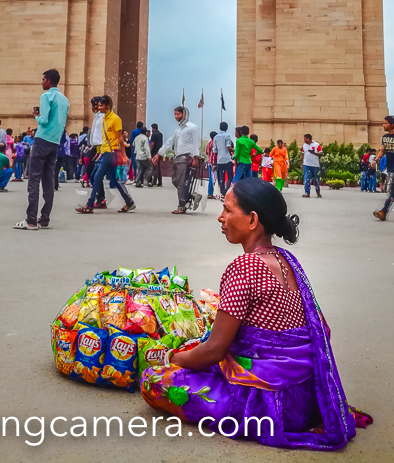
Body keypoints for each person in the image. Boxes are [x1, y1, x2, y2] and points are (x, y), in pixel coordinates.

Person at [140, 178, 372, 449]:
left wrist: (174, 358)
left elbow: (215, 350)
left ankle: (233, 411)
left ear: (252, 220)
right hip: (308, 397)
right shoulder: (288, 261)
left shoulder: (244, 267)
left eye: (228, 210)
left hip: (268, 405)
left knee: (154, 380)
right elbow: (322, 330)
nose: (220, 217)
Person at [14, 69, 69, 230]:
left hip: (42, 139)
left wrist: (35, 116)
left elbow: (44, 121)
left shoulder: (46, 96)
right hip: (55, 142)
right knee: (49, 179)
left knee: (34, 178)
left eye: (43, 79)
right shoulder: (65, 100)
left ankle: (31, 219)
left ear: (49, 81)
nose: (41, 82)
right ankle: (44, 219)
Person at [75, 95, 135, 214]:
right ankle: (129, 201)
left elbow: (120, 139)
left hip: (111, 152)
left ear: (108, 106)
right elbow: (104, 139)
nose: (99, 107)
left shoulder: (115, 119)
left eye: (101, 105)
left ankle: (89, 205)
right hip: (105, 152)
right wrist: (99, 152)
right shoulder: (103, 120)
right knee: (113, 178)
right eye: (98, 105)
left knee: (97, 177)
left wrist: (123, 155)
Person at [155, 106, 201, 215]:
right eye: (175, 114)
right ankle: (191, 196)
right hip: (177, 157)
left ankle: (181, 206)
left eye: (178, 114)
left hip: (186, 157)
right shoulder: (178, 129)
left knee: (181, 182)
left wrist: (195, 157)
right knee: (175, 180)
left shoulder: (192, 128)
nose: (176, 117)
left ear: (184, 114)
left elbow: (196, 143)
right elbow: (169, 142)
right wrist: (159, 154)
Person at [213, 122, 234, 200]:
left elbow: (215, 150)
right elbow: (228, 147)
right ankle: (226, 191)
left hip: (219, 160)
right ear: (227, 128)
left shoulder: (216, 137)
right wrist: (235, 150)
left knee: (220, 177)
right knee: (230, 176)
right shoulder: (227, 136)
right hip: (227, 159)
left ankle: (222, 192)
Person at [301, 134, 322, 198]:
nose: (304, 140)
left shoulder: (316, 145)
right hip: (306, 165)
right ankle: (307, 192)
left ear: (308, 138)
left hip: (315, 165)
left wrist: (314, 153)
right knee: (306, 178)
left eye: (305, 138)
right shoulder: (304, 146)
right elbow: (302, 155)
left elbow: (321, 153)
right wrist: (301, 163)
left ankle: (318, 192)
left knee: (316, 179)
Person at [206, 131, 218, 198]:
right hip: (213, 162)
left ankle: (210, 193)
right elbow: (214, 153)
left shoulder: (209, 143)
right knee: (214, 178)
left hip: (209, 162)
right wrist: (214, 164)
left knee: (211, 177)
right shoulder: (214, 143)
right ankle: (211, 193)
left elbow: (207, 152)